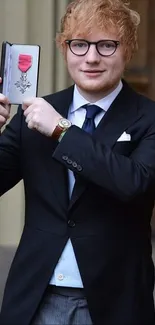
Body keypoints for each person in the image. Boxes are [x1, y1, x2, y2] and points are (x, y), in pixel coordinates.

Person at [0, 0, 155, 324]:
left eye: (107, 45)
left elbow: (133, 183)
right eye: (80, 44)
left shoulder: (148, 118)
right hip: (36, 298)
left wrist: (61, 130)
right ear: (64, 48)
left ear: (127, 50)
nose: (92, 57)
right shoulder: (34, 114)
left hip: (115, 301)